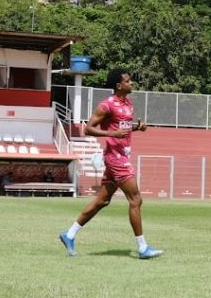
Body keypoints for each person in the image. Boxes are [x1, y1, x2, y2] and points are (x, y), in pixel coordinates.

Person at [59, 69, 163, 259]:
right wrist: (111, 134)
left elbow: (121, 127)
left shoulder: (128, 104)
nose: (132, 83)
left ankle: (69, 234)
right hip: (116, 159)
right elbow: (88, 128)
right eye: (128, 81)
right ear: (118, 85)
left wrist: (137, 128)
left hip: (122, 156)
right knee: (136, 199)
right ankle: (142, 248)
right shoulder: (106, 105)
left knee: (102, 200)